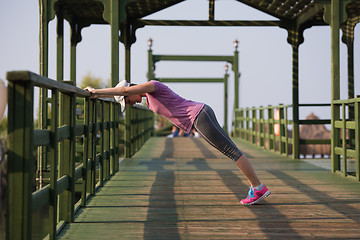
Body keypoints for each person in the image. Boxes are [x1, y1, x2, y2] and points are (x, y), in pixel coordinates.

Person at [85, 80, 270, 205]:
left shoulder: (152, 86)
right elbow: (125, 93)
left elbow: (124, 90)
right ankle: (257, 187)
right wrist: (100, 96)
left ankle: (258, 188)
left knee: (232, 152)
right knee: (232, 151)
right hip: (200, 115)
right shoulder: (149, 100)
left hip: (198, 115)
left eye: (128, 102)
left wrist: (96, 91)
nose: (131, 105)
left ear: (131, 90)